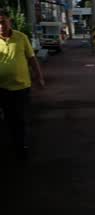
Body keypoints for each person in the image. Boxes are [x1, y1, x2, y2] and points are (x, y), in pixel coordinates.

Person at [0, 8, 45, 160]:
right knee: (7, 118)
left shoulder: (21, 37)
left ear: (9, 21)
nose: (0, 26)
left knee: (19, 118)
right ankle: (12, 142)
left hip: (21, 87)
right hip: (1, 88)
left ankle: (21, 146)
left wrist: (39, 77)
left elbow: (32, 59)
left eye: (2, 22)